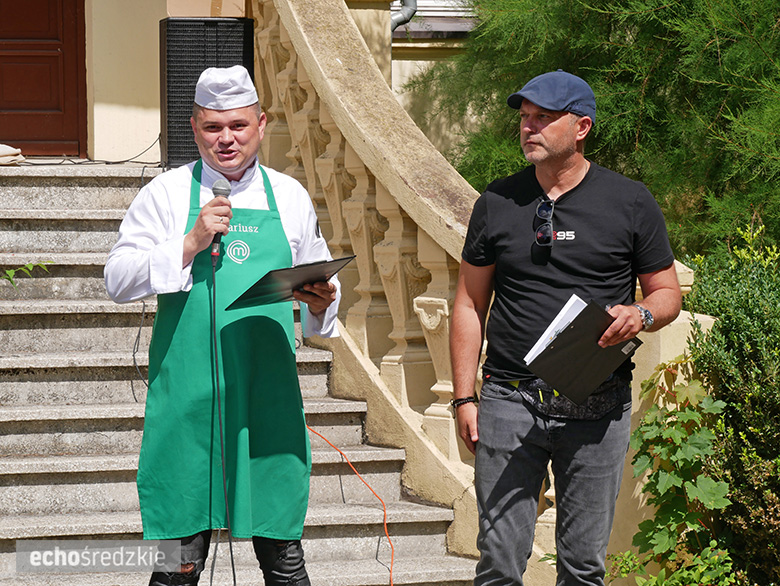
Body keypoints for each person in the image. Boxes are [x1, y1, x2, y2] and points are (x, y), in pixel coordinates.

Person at [105, 65, 340, 586]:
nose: (226, 139)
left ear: (261, 124)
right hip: (188, 403)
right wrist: (189, 244)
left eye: (238, 125)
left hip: (266, 399)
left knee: (285, 560)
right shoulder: (165, 193)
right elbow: (117, 279)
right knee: (178, 563)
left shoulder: (290, 196)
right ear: (194, 129)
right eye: (213, 127)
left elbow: (320, 282)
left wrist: (322, 298)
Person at [449, 70, 682, 585]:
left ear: (581, 127)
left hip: (597, 405)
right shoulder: (497, 202)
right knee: (498, 564)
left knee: (582, 567)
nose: (528, 127)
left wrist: (640, 314)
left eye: (543, 117)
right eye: (524, 117)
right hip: (509, 400)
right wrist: (464, 398)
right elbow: (468, 302)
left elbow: (667, 293)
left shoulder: (629, 201)